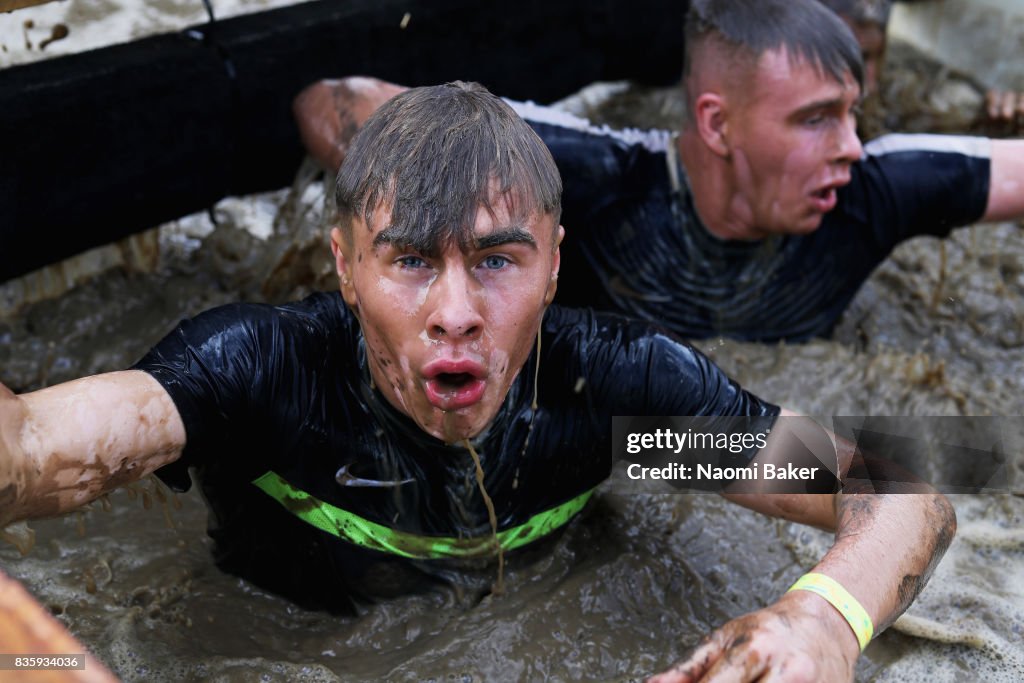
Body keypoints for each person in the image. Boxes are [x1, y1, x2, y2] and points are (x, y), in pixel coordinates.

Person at [0, 81, 954, 682]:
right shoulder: (258, 371)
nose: (455, 310)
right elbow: (44, 449)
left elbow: (900, 491)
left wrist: (823, 619)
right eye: (410, 260)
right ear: (343, 268)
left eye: (497, 262)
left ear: (553, 267)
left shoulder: (613, 398)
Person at [294, 0, 1024, 342]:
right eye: (816, 119)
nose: (853, 146)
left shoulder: (875, 192)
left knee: (964, 459)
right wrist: (438, 234)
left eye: (853, 115)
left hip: (709, 436)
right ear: (716, 124)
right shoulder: (594, 175)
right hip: (615, 426)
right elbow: (333, 99)